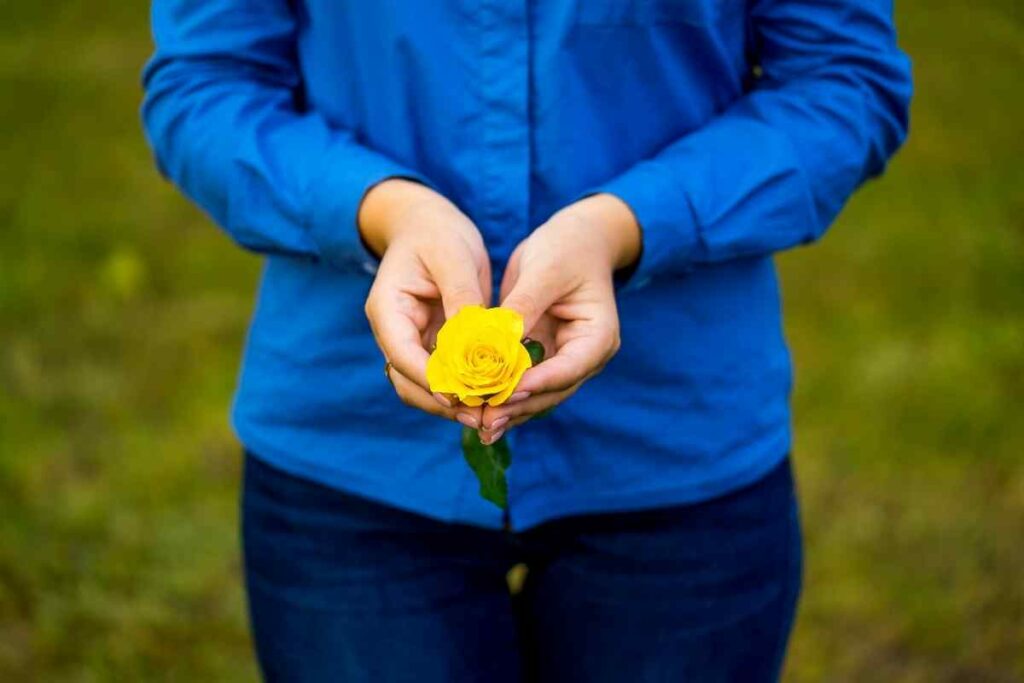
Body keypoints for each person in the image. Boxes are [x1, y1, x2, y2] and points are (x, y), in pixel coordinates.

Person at [142, 1, 911, 680]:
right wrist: (381, 209)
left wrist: (633, 223)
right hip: (353, 453)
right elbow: (205, 86)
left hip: (676, 445)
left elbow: (843, 83)